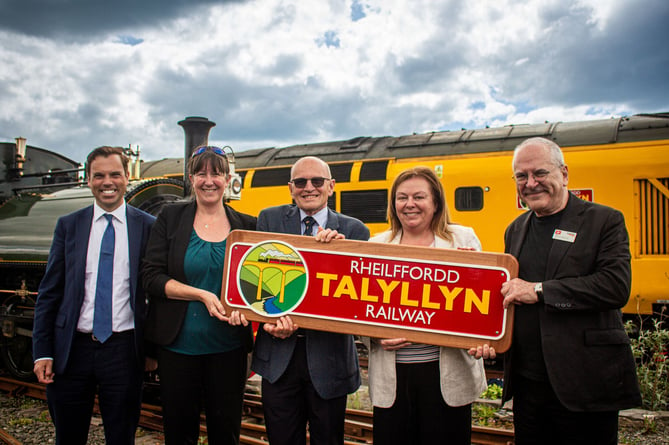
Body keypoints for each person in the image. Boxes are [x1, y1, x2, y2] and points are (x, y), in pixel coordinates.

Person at [499, 137, 641, 444]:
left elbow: (615, 287)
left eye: (540, 173)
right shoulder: (515, 229)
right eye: (521, 176)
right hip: (528, 384)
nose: (531, 183)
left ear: (564, 174)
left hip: (585, 382)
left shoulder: (604, 220)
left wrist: (538, 290)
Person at [32, 146, 156, 445]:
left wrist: (153, 351)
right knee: (69, 435)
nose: (107, 182)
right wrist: (43, 351)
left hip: (124, 350)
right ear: (88, 180)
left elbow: (155, 296)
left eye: (115, 174)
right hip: (72, 350)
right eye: (98, 175)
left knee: (121, 436)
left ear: (128, 178)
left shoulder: (148, 227)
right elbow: (49, 293)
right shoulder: (69, 225)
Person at [250, 155, 370, 445]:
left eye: (317, 181)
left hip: (329, 360)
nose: (309, 188)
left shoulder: (355, 232)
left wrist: (342, 256)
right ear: (290, 188)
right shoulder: (269, 219)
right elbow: (255, 282)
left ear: (331, 187)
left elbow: (359, 300)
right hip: (279, 358)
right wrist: (268, 321)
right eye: (300, 182)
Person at [364, 166, 488, 445]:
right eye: (401, 197)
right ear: (393, 204)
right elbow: (360, 310)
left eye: (419, 197)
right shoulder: (376, 244)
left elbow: (484, 302)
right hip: (393, 378)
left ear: (436, 203)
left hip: (446, 375)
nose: (409, 204)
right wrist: (374, 334)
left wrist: (473, 273)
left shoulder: (462, 239)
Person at [141, 145, 256, 445]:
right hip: (178, 348)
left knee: (226, 432)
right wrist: (201, 295)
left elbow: (259, 284)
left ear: (228, 178)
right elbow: (151, 277)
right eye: (201, 173)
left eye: (216, 173)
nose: (209, 180)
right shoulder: (171, 217)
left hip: (228, 349)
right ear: (190, 178)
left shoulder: (246, 225)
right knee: (179, 433)